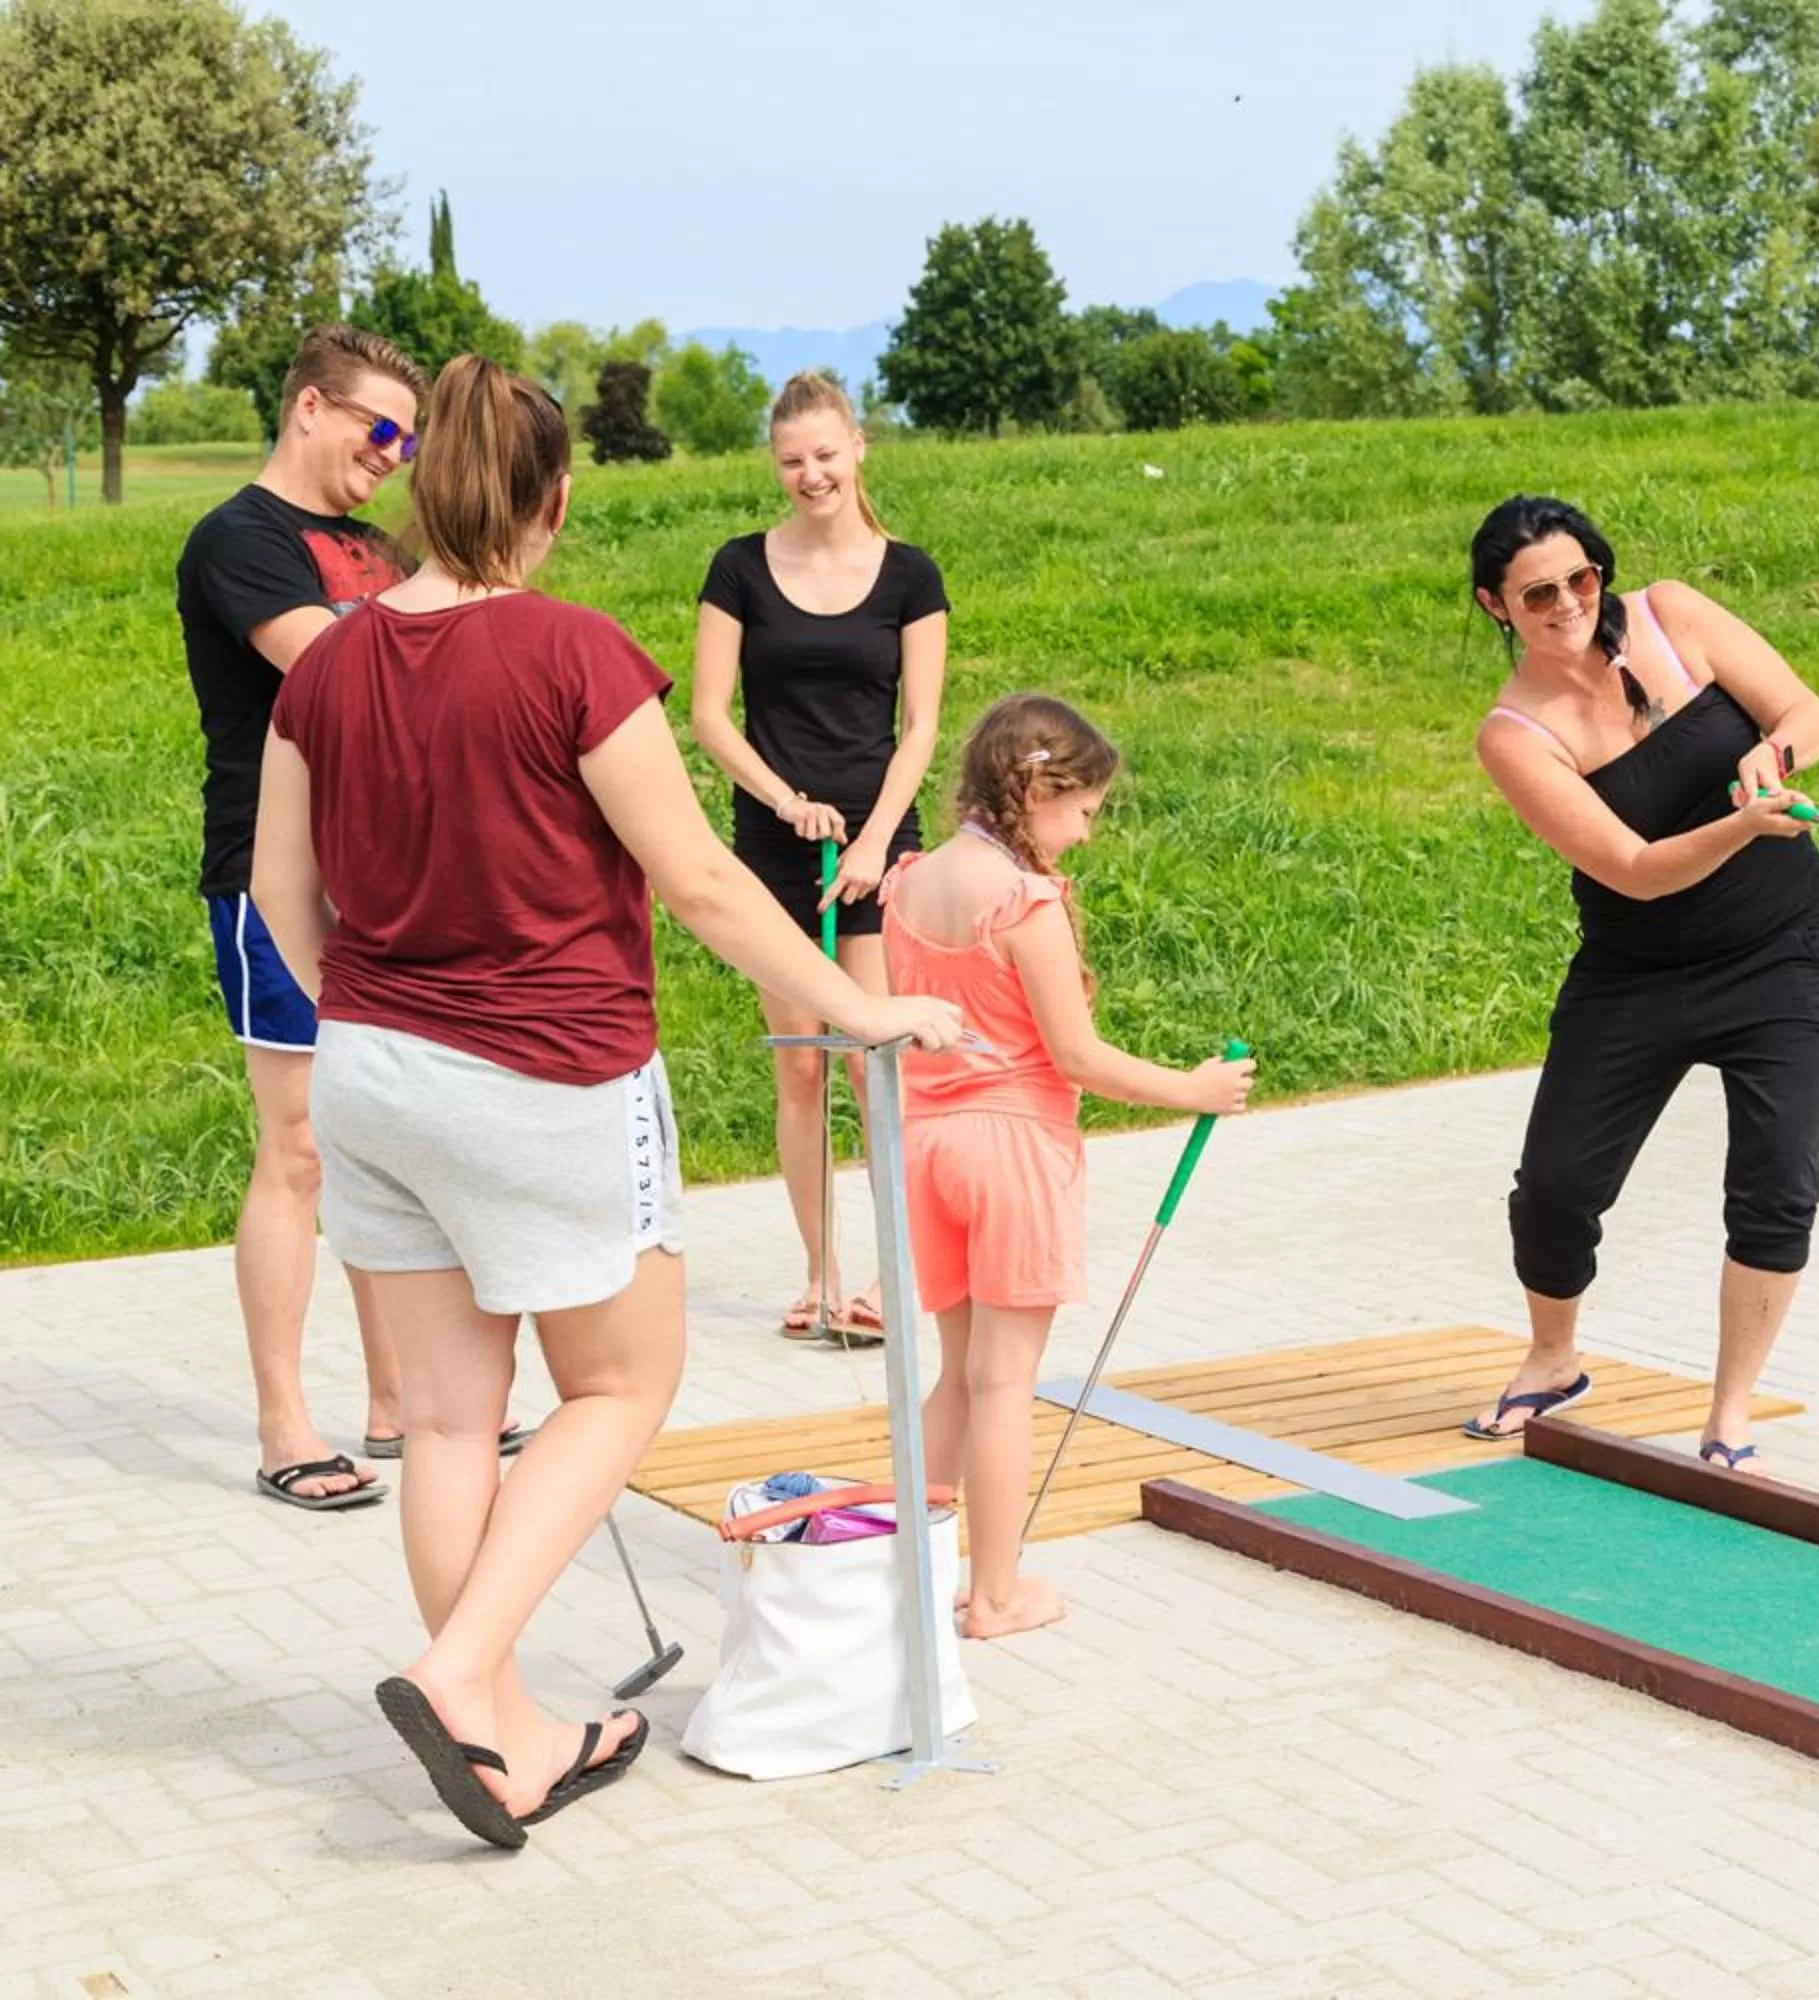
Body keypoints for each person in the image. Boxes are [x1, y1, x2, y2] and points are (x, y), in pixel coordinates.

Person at [251, 356, 961, 1849]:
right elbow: (699, 878)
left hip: (373, 1069)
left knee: (451, 1425)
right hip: (550, 1076)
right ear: (555, 501)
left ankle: (509, 1734)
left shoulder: (326, 666)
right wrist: (857, 1005)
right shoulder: (573, 653)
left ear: (428, 486)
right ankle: (460, 1680)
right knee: (621, 1388)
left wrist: (372, 1016)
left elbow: (276, 888)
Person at [1462, 495, 1819, 1475]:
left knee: (1777, 1179)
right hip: (1637, 972)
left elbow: (1809, 711)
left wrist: (1774, 753)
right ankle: (1553, 1358)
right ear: (1495, 605)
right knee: (1553, 1188)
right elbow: (1631, 865)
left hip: (1781, 950)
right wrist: (1742, 826)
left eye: (1581, 578)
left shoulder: (1676, 613)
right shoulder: (1515, 732)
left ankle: (1727, 1415)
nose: (1566, 603)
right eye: (1537, 592)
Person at [887, 694, 1254, 1639]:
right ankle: (997, 1594)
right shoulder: (1024, 902)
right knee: (1006, 1382)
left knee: (956, 1375)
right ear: (1037, 789)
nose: (1084, 835)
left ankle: (920, 1578)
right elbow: (1079, 1058)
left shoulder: (910, 883)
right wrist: (1196, 1088)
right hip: (1012, 1146)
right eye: (1083, 810)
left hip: (926, 1146)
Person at [177, 323, 452, 1510]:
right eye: (376, 427)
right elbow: (340, 670)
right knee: (298, 1149)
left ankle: (401, 1404)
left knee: (387, 1140)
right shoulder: (237, 539)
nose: (392, 453)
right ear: (307, 408)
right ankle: (285, 1421)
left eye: (408, 437)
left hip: (393, 874)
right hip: (275, 878)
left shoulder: (379, 546)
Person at [689, 372, 949, 1342]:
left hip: (879, 844)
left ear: (858, 448)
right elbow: (710, 716)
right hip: (775, 840)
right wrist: (784, 802)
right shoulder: (739, 567)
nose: (812, 474)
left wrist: (877, 839)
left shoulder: (911, 575)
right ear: (776, 463)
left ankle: (895, 1276)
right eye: (793, 459)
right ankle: (819, 1276)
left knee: (872, 1059)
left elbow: (920, 723)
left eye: (827, 454)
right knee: (801, 1063)